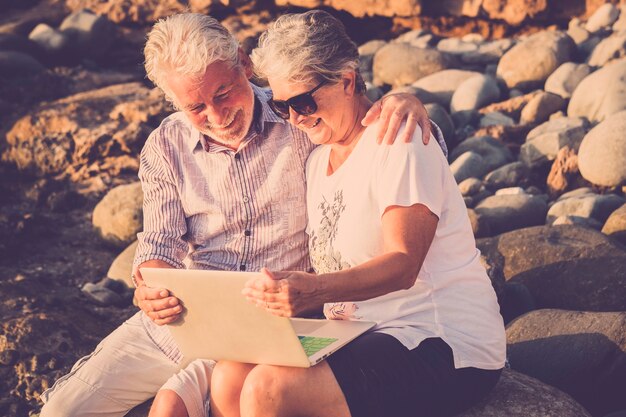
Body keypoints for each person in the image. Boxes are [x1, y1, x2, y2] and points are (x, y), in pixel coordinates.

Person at [38, 12, 439, 417]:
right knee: (62, 410)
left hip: (277, 328)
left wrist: (401, 102)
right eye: (196, 106)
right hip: (186, 321)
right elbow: (159, 242)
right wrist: (150, 287)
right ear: (175, 102)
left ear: (244, 65)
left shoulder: (295, 116)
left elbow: (359, 125)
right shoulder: (166, 145)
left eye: (224, 92)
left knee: (174, 408)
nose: (217, 115)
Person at [196, 10, 506, 417]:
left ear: (346, 79)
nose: (295, 118)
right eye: (283, 104)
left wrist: (316, 289)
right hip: (354, 331)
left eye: (304, 101)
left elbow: (403, 265)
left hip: (437, 338)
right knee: (230, 376)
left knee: (266, 390)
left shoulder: (399, 139)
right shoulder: (316, 158)